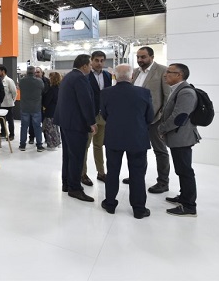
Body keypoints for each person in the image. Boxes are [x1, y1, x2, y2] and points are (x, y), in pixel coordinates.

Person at [100, 64, 154, 219]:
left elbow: (104, 115)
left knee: (112, 172)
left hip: (114, 137)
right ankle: (139, 209)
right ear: (132, 77)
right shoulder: (144, 93)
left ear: (115, 77)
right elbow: (149, 117)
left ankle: (110, 204)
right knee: (137, 174)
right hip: (137, 138)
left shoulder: (105, 93)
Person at [124, 46, 171, 193]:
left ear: (151, 57)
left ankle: (163, 182)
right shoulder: (136, 72)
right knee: (137, 150)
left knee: (160, 151)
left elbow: (167, 97)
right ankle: (137, 176)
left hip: (155, 120)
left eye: (143, 57)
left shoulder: (163, 71)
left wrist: (161, 117)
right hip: (136, 121)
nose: (139, 60)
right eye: (138, 57)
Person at [158, 63, 200, 217]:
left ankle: (189, 205)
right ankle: (183, 197)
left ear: (179, 75)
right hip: (177, 137)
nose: (165, 74)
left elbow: (179, 117)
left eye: (169, 72)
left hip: (182, 138)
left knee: (185, 171)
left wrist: (162, 128)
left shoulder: (186, 92)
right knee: (181, 169)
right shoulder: (177, 90)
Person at [54, 54, 97, 202]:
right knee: (77, 156)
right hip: (76, 124)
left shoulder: (68, 77)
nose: (91, 68)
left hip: (65, 122)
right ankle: (75, 188)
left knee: (68, 155)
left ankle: (67, 184)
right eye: (90, 65)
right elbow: (85, 102)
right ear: (84, 66)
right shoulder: (80, 78)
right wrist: (92, 122)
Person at [82, 51, 112, 186]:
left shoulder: (107, 75)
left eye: (102, 60)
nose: (99, 63)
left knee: (99, 146)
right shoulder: (85, 76)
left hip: (103, 116)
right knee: (85, 146)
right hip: (90, 116)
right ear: (91, 61)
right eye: (96, 60)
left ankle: (101, 172)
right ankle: (82, 174)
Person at [18, 66, 44, 151]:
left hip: (24, 107)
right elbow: (42, 90)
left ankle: (22, 145)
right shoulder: (39, 81)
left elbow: (19, 88)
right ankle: (39, 145)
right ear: (34, 72)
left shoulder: (22, 81)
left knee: (24, 126)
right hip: (36, 107)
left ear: (27, 72)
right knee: (37, 127)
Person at [28, 67, 49, 146]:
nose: (36, 74)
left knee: (45, 123)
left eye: (38, 72)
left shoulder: (46, 81)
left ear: (42, 73)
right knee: (32, 123)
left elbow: (46, 92)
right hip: (33, 106)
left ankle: (46, 138)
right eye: (35, 72)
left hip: (43, 106)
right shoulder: (31, 81)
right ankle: (31, 137)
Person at [42, 72, 61, 150]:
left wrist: (43, 105)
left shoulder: (51, 89)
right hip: (57, 110)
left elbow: (47, 101)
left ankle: (52, 144)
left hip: (50, 111)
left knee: (50, 128)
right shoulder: (60, 88)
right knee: (56, 128)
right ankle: (58, 142)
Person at [0, 66, 17, 141]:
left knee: (10, 120)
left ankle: (11, 134)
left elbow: (14, 92)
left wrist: (13, 100)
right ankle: (3, 133)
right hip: (1, 104)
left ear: (3, 71)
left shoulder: (9, 80)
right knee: (1, 120)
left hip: (8, 104)